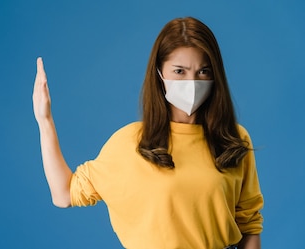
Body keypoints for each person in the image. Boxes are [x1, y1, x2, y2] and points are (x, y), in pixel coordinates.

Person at [32, 17, 263, 249]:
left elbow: (249, 224)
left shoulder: (232, 139)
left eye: (203, 71)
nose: (192, 82)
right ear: (159, 73)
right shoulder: (129, 143)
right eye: (179, 71)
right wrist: (45, 120)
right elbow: (64, 194)